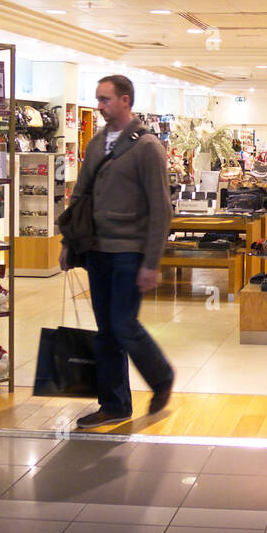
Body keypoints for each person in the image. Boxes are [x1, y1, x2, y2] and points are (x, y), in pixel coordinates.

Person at [61, 75, 174, 427]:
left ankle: (161, 377)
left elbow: (161, 208)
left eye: (105, 99)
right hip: (97, 250)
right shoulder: (96, 144)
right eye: (97, 99)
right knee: (106, 330)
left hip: (130, 251)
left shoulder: (148, 147)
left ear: (125, 100)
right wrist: (69, 243)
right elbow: (79, 196)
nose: (99, 106)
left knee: (123, 324)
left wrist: (151, 262)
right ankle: (114, 403)